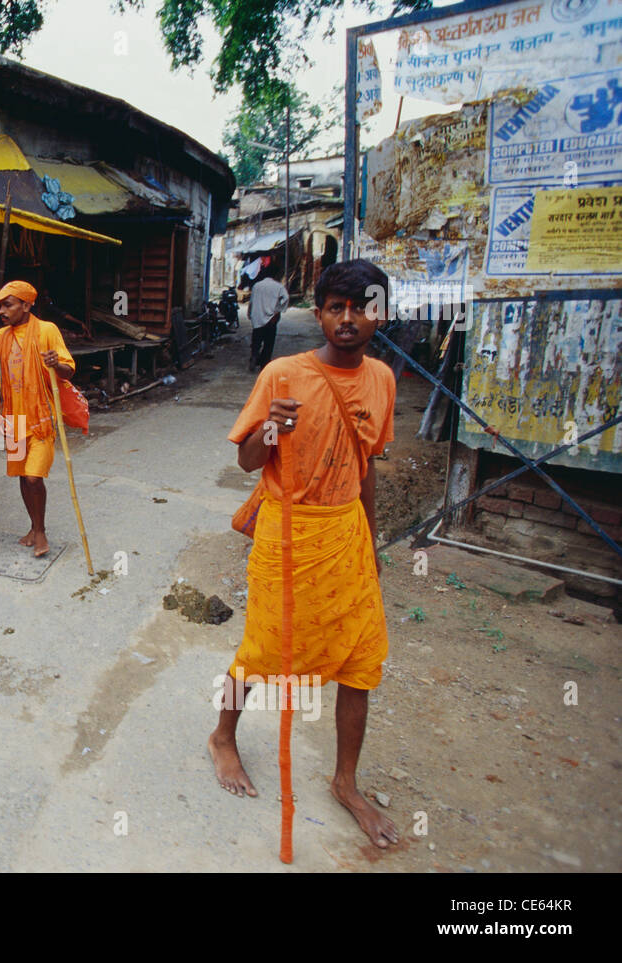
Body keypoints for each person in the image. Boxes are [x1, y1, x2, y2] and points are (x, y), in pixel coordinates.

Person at [209, 258, 399, 850]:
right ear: (318, 314)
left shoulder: (382, 381)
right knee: (263, 650)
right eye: (335, 307)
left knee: (361, 658)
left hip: (345, 536)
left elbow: (367, 467)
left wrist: (368, 543)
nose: (348, 319)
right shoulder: (282, 374)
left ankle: (346, 782)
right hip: (287, 534)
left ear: (379, 315)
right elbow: (245, 463)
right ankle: (222, 737)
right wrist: (271, 430)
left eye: (362, 307)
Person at [0, 281, 76, 558]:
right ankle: (34, 527)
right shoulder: (0, 338)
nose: (2, 310)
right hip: (13, 418)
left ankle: (41, 531)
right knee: (23, 477)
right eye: (0, 306)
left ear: (26, 305)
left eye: (8, 305)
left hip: (41, 418)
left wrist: (55, 364)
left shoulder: (47, 330)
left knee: (34, 477)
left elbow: (68, 370)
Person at [248, 263, 290, 372]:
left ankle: (254, 356)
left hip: (257, 318)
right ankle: (264, 363)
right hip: (271, 319)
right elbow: (286, 298)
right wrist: (278, 310)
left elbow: (251, 302)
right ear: (275, 276)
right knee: (268, 343)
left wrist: (250, 313)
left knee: (256, 341)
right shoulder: (278, 286)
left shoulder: (256, 286)